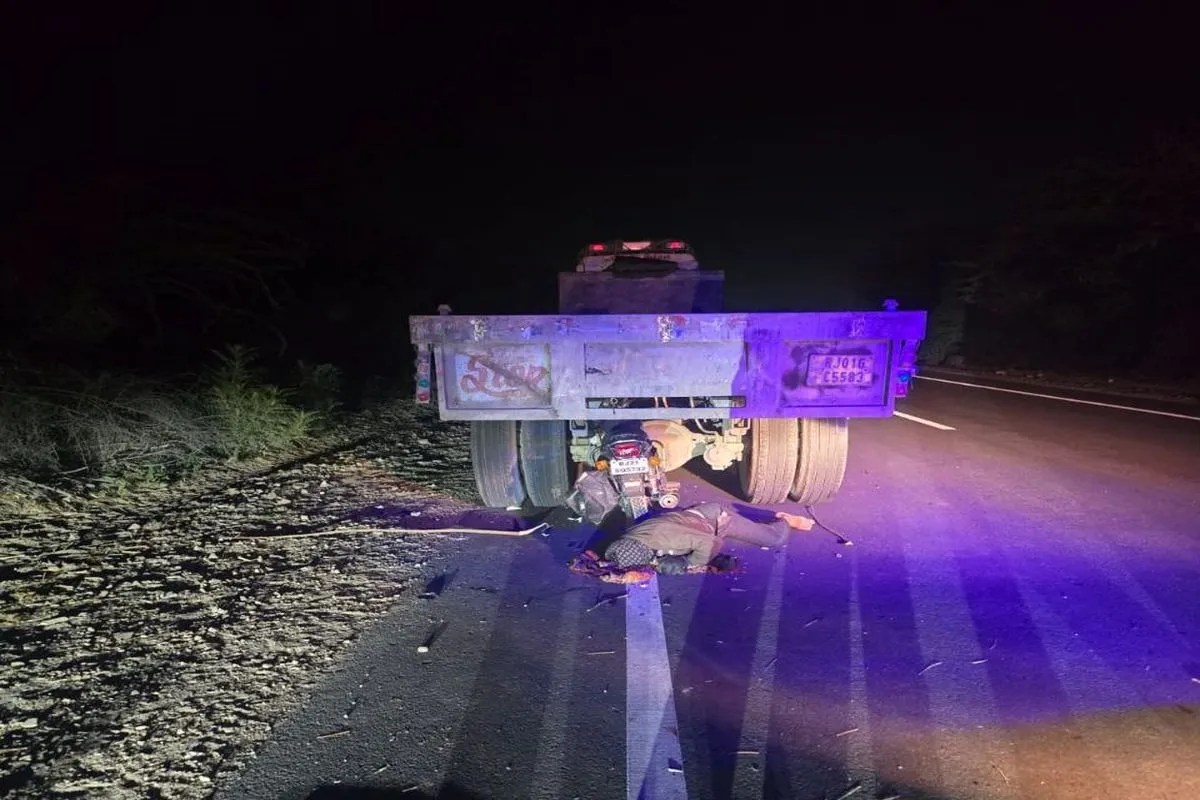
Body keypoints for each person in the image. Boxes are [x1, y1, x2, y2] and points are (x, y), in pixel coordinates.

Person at [604, 502, 815, 575]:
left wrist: (689, 563)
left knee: (773, 540)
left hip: (716, 520)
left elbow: (712, 542)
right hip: (691, 520)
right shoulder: (630, 540)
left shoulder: (667, 539)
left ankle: (786, 520)